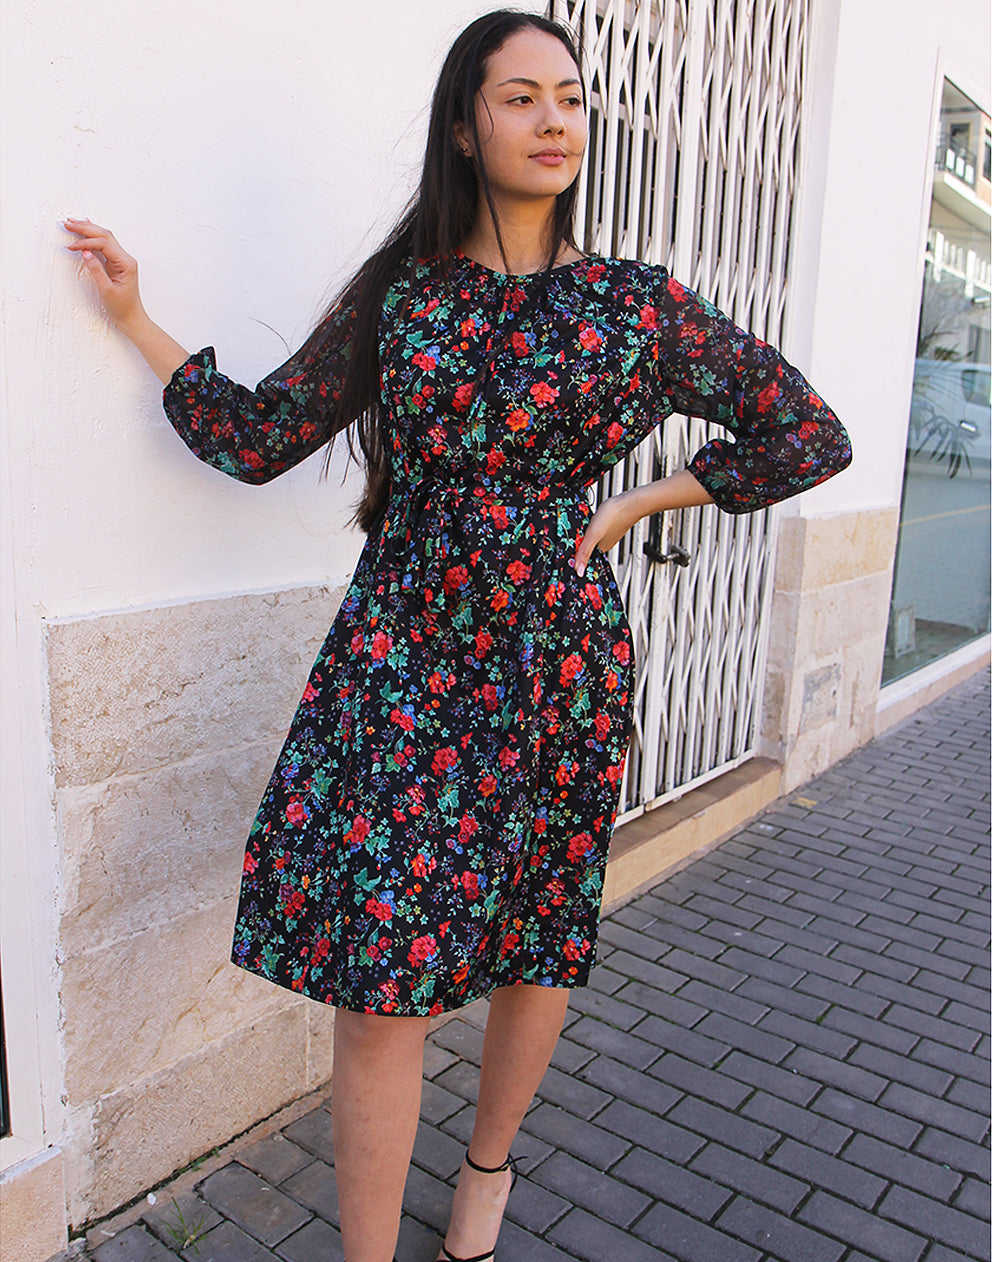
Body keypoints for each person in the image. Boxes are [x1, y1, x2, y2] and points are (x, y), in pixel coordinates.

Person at [64, 11, 851, 1262]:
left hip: (558, 661)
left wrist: (650, 494)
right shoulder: (405, 294)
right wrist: (139, 323)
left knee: (536, 935)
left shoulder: (629, 306)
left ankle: (484, 1179)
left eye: (571, 99)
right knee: (382, 982)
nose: (553, 121)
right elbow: (264, 436)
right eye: (521, 97)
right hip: (407, 658)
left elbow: (805, 431)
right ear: (463, 124)